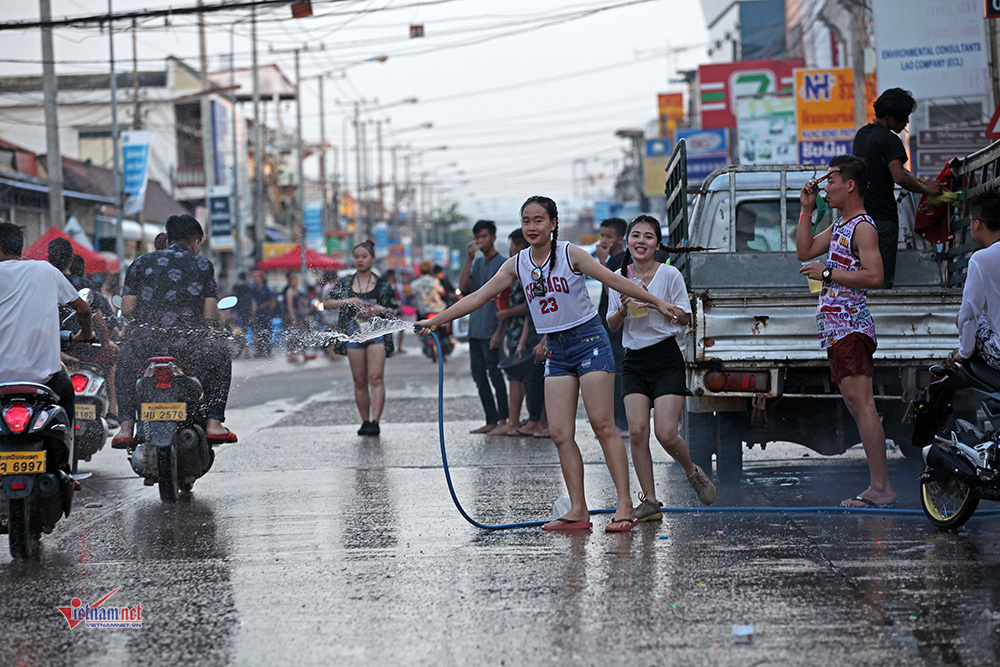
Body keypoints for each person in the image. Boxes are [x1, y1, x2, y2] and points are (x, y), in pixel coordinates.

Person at [417, 196, 685, 532]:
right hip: (556, 348)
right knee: (559, 432)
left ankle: (625, 506)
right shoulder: (518, 264)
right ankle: (577, 509)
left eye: (539, 220)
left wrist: (657, 302)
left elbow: (614, 280)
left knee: (603, 426)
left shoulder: (571, 254)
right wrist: (436, 320)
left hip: (589, 341)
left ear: (553, 224)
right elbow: (477, 297)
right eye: (526, 221)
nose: (531, 227)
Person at [798, 155, 895, 509]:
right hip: (837, 330)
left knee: (863, 405)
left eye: (831, 181)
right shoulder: (840, 224)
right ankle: (878, 486)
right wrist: (806, 210)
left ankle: (881, 489)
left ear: (850, 185)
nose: (826, 187)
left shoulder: (862, 227)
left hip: (852, 327)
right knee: (857, 406)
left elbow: (875, 277)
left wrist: (827, 274)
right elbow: (804, 251)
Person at [606, 215, 717, 521]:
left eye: (648, 237)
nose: (641, 241)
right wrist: (623, 307)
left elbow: (684, 318)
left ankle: (691, 471)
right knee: (638, 432)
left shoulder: (669, 275)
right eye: (635, 236)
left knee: (666, 433)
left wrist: (654, 303)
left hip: (666, 357)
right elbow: (612, 325)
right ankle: (651, 501)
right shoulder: (617, 277)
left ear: (657, 244)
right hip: (634, 361)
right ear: (628, 241)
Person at [113, 214, 237, 448]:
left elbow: (127, 310)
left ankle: (125, 427)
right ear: (196, 243)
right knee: (221, 355)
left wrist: (132, 329)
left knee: (124, 364)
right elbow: (210, 315)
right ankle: (213, 423)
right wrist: (217, 330)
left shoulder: (140, 263)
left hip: (145, 346)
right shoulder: (201, 264)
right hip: (190, 348)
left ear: (168, 239)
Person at [0, 222, 94, 427]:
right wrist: (85, 334)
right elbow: (83, 310)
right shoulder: (45, 270)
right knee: (67, 399)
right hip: (43, 380)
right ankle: (68, 457)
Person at [852, 88, 942, 288]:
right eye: (904, 118)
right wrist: (928, 190)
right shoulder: (889, 139)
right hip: (882, 219)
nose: (906, 123)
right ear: (891, 117)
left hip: (859, 219)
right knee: (881, 281)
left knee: (862, 278)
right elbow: (899, 177)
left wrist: (922, 182)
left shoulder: (862, 135)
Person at [323, 240, 399, 436]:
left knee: (375, 376)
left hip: (376, 334)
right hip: (353, 332)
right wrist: (349, 301)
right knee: (359, 379)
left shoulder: (382, 285)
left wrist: (380, 310)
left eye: (364, 256)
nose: (360, 260)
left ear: (372, 259)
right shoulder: (346, 282)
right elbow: (326, 303)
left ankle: (376, 421)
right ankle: (364, 421)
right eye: (356, 256)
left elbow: (393, 310)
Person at [48, 240, 121, 427]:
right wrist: (104, 340)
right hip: (89, 352)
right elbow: (98, 321)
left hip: (55, 354)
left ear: (48, 259)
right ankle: (114, 410)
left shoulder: (42, 285)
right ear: (71, 259)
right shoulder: (84, 286)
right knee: (113, 360)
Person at [490, 229, 544, 436]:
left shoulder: (531, 273)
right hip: (520, 332)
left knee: (532, 379)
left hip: (532, 333)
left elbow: (532, 306)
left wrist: (507, 315)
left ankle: (533, 423)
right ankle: (524, 422)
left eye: (512, 246)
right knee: (521, 376)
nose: (511, 250)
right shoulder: (515, 269)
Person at [459, 220, 508, 434]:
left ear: (494, 238)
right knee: (478, 375)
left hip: (492, 329)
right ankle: (491, 419)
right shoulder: (477, 264)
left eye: (484, 236)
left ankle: (505, 420)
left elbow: (506, 300)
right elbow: (462, 288)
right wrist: (469, 258)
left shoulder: (503, 263)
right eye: (477, 237)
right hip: (475, 329)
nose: (480, 241)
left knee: (495, 374)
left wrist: (500, 331)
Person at [953, 188, 1000, 370]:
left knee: (960, 318)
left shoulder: (981, 259)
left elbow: (968, 314)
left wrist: (964, 352)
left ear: (977, 224)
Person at [595, 217, 630, 436]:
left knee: (618, 373)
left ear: (620, 239)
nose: (603, 240)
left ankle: (622, 423)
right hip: (607, 324)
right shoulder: (613, 259)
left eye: (608, 236)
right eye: (601, 236)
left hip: (617, 328)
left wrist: (601, 263)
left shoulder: (621, 261)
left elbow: (613, 294)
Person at [282, 272, 310, 363]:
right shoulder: (289, 291)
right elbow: (290, 306)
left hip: (299, 314)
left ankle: (304, 354)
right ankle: (290, 355)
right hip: (294, 315)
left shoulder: (297, 290)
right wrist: (293, 317)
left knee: (301, 335)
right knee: (292, 336)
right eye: (294, 280)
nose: (296, 282)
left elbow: (300, 304)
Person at [250, 270, 276, 358]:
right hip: (258, 314)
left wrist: (268, 306)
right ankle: (259, 351)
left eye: (256, 277)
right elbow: (253, 303)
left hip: (266, 314)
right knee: (258, 332)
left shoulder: (266, 288)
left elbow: (272, 300)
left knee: (267, 332)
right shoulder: (254, 289)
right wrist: (253, 314)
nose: (255, 279)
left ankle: (268, 351)